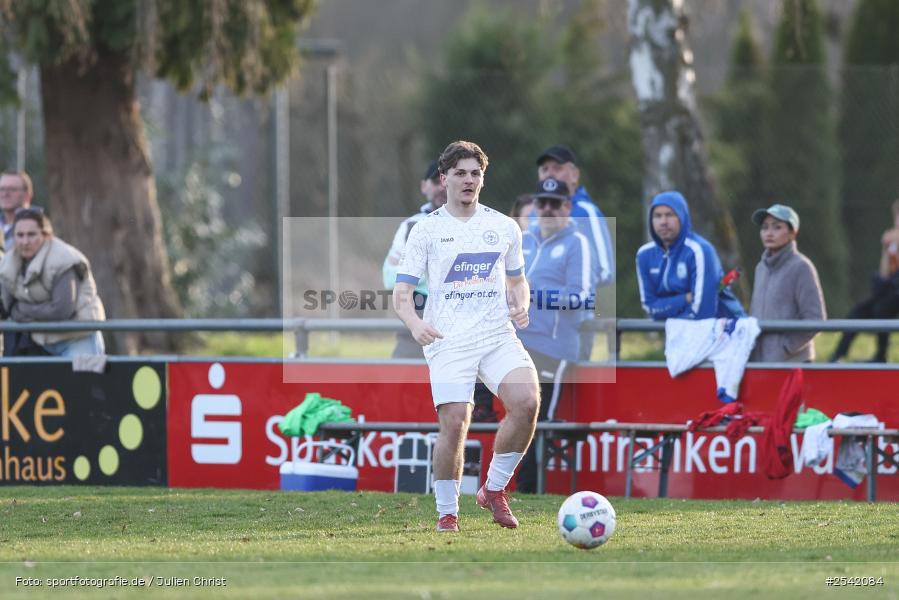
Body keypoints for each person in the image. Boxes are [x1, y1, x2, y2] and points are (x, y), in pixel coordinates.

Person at [394, 140, 540, 532]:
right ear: (444, 179)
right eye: (460, 172)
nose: (469, 180)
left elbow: (518, 280)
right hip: (447, 339)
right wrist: (414, 323)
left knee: (527, 402)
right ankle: (447, 513)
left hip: (496, 334)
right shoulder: (426, 231)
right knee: (456, 422)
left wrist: (520, 303)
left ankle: (493, 491)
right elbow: (401, 292)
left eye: (476, 173)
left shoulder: (504, 227)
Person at [514, 177, 596, 493]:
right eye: (542, 203)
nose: (547, 209)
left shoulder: (577, 243)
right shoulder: (525, 240)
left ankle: (528, 489)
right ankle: (503, 486)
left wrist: (535, 294)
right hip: (519, 342)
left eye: (554, 203)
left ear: (567, 207)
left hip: (555, 346)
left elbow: (583, 297)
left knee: (540, 417)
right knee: (517, 413)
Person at [536, 145, 614, 360]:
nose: (550, 173)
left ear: (574, 175)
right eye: (544, 169)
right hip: (534, 327)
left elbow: (606, 271)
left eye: (557, 168)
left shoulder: (587, 212)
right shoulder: (537, 214)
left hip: (571, 326)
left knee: (566, 391)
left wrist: (562, 287)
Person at [0, 208, 106, 356]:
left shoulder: (64, 258)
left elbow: (61, 311)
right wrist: (16, 311)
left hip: (78, 339)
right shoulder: (7, 263)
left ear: (46, 235)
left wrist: (22, 310)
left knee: (84, 379)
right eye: (20, 235)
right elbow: (6, 308)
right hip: (40, 340)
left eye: (31, 234)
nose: (25, 241)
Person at [636, 191, 745, 320]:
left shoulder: (700, 250)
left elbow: (702, 312)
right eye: (657, 216)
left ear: (682, 217)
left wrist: (668, 308)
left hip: (724, 332)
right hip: (676, 334)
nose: (663, 221)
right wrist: (686, 298)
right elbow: (650, 307)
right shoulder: (644, 254)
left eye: (670, 215)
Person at [383, 161, 447, 358]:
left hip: (461, 322)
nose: (442, 187)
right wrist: (429, 275)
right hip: (416, 323)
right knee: (398, 378)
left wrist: (417, 272)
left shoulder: (475, 223)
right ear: (424, 186)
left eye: (446, 181)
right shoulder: (411, 225)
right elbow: (389, 277)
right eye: (436, 181)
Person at [747, 204, 825, 362]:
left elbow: (815, 318)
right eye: (765, 227)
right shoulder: (760, 268)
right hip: (760, 363)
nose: (769, 233)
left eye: (777, 227)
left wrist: (786, 347)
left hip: (793, 363)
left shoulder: (802, 267)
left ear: (792, 233)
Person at [830, 199, 899, 363]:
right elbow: (885, 274)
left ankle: (881, 354)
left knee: (882, 308)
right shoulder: (893, 240)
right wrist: (886, 249)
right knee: (858, 312)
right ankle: (837, 356)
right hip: (891, 293)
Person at [0, 170, 36, 251]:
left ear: (28, 195)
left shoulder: (40, 229)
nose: (5, 194)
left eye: (12, 189)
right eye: (2, 189)